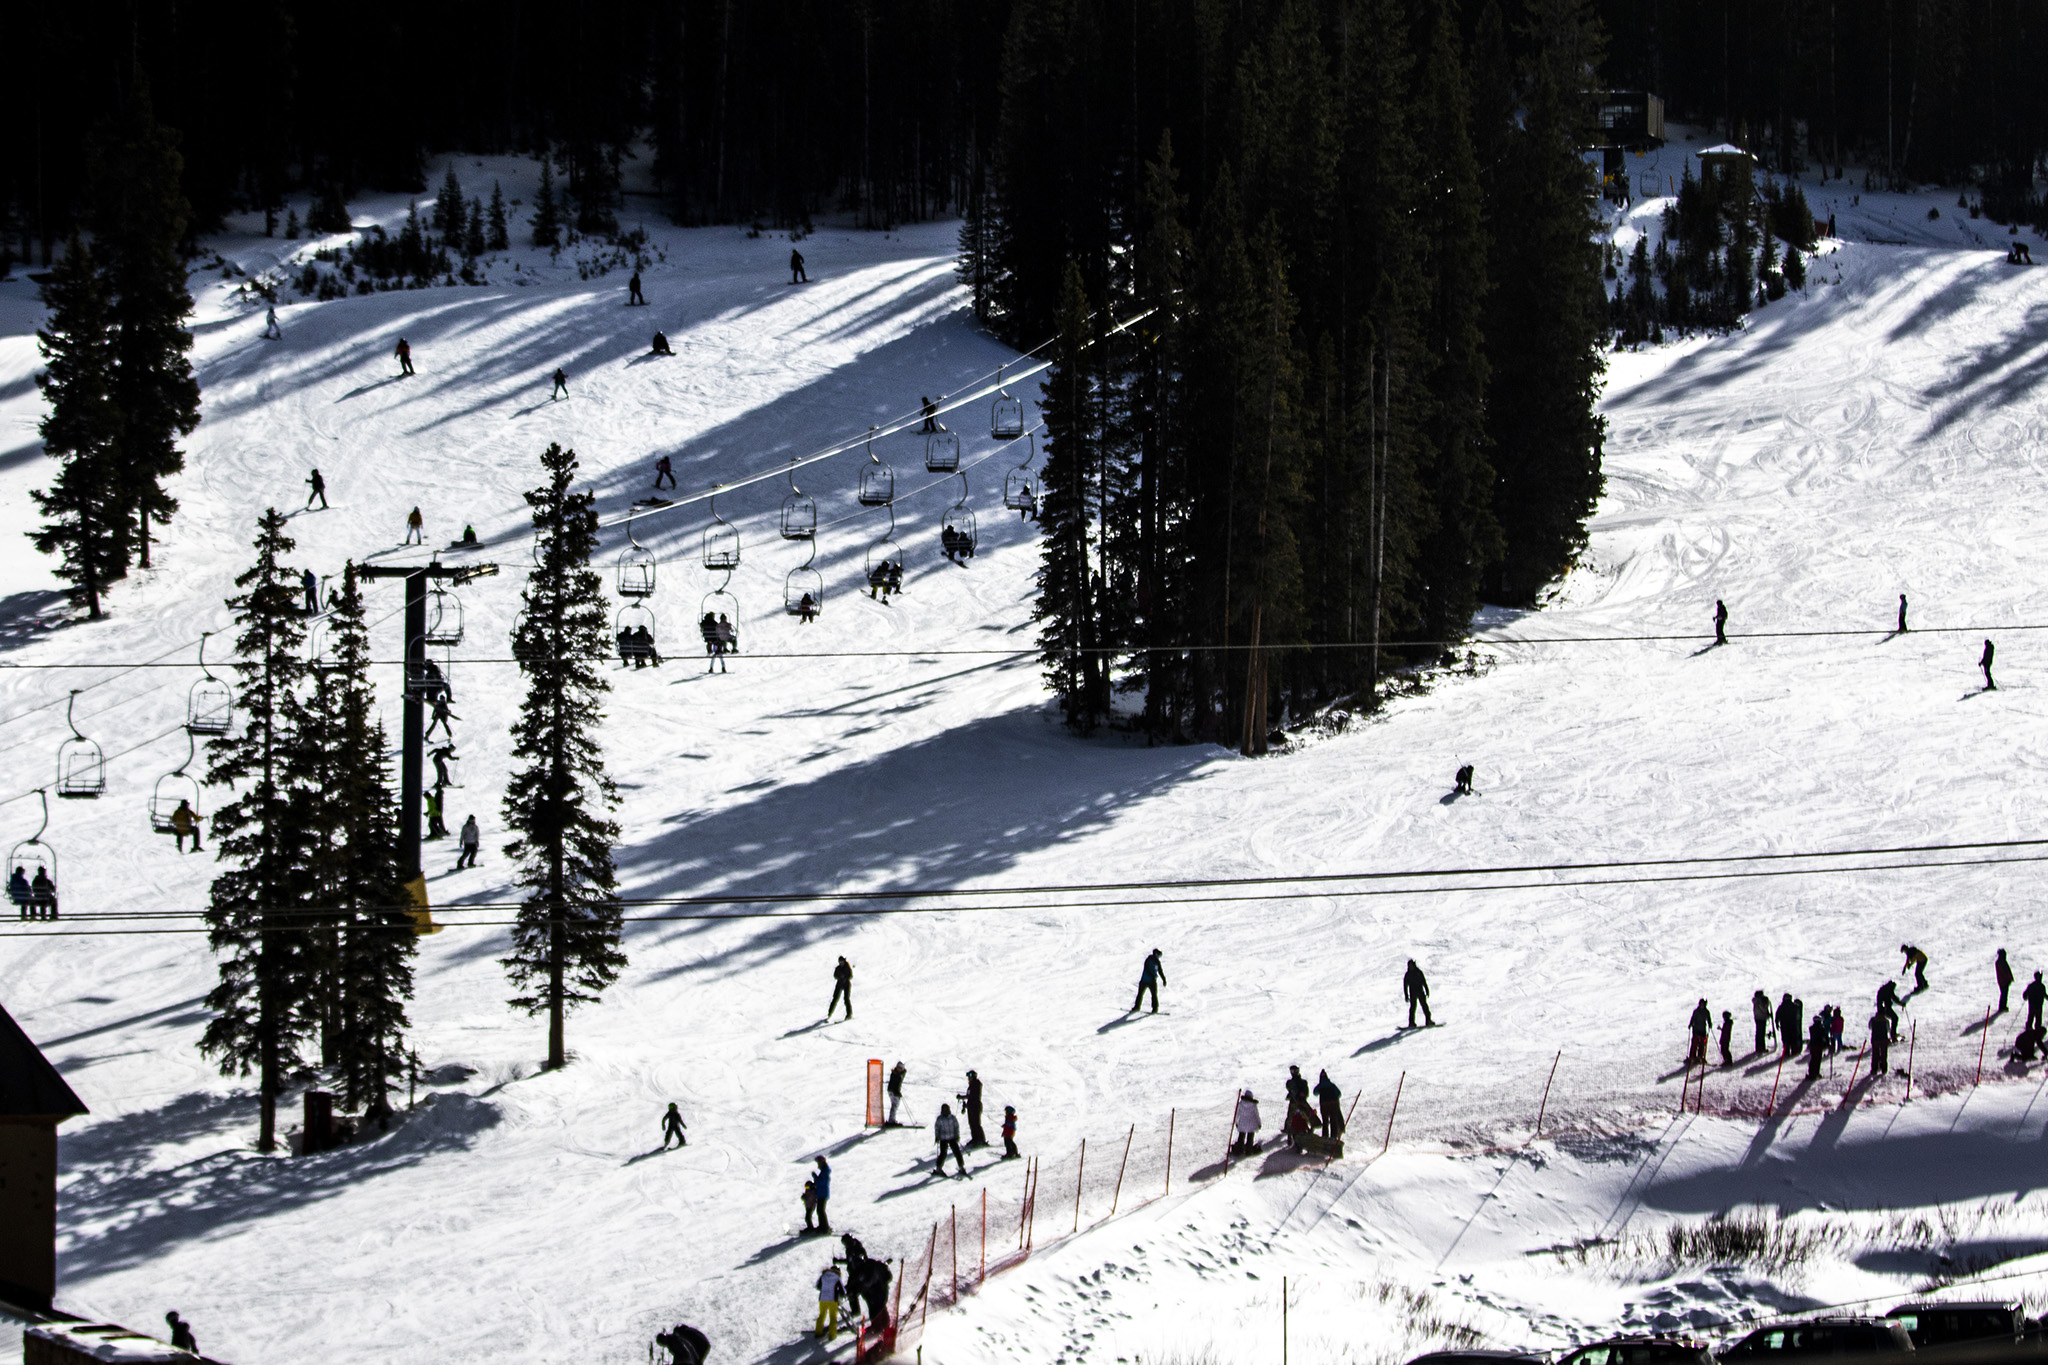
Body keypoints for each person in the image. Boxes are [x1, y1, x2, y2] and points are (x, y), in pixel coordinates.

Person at [934, 1103, 967, 1177]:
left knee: (957, 1152)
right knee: (943, 1153)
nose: (946, 1111)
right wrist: (937, 1137)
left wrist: (957, 1136)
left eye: (947, 1110)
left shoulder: (952, 1118)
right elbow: (937, 1128)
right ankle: (938, 1168)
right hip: (943, 1138)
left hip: (952, 1137)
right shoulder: (940, 1119)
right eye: (944, 1110)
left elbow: (956, 1127)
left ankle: (961, 1166)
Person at [815, 1263, 845, 1341]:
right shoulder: (837, 1278)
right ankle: (832, 1335)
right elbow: (843, 1291)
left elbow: (818, 1286)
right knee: (833, 1317)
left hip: (822, 1299)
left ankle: (818, 1332)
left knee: (822, 1315)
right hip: (832, 1300)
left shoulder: (823, 1276)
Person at [1132, 947, 1165, 1014]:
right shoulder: (1149, 959)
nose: (1159, 957)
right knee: (1140, 994)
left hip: (1152, 981)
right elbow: (1146, 969)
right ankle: (1137, 1007)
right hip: (1145, 980)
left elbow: (1160, 971)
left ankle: (1155, 1009)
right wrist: (1152, 976)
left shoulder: (1157, 962)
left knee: (1154, 994)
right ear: (1156, 954)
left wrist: (1164, 979)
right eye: (1159, 955)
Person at [1313, 1069, 1343, 1138]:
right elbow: (1339, 1094)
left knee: (1325, 1121)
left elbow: (1315, 1093)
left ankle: (1325, 1136)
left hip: (1324, 1105)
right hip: (1333, 1104)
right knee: (1333, 1120)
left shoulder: (1320, 1085)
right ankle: (1333, 1136)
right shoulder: (1332, 1085)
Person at [1404, 959, 1433, 1028]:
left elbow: (1424, 981)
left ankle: (1428, 1020)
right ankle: (1411, 1023)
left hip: (1420, 991)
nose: (1410, 967)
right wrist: (1406, 995)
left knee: (1424, 1006)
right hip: (1412, 993)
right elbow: (1405, 985)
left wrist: (1427, 990)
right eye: (1409, 966)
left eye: (1411, 965)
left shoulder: (1418, 972)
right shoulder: (1408, 974)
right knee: (1413, 1008)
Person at [961, 1070, 987, 1147]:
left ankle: (981, 1139)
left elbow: (973, 1096)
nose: (968, 1078)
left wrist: (963, 1097)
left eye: (970, 1077)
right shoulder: (971, 1085)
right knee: (972, 1123)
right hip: (971, 1106)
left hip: (975, 1106)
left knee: (976, 1123)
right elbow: (969, 1096)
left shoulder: (976, 1084)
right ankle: (975, 1138)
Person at [1232, 1089, 1261, 1155]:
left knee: (1241, 1137)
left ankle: (1239, 1150)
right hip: (1251, 1124)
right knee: (1250, 1138)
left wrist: (1236, 1122)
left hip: (1242, 1124)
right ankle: (1248, 1151)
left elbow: (1237, 1114)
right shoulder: (1253, 1105)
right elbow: (1257, 1115)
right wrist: (1259, 1123)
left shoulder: (1240, 1104)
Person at [1686, 998, 1711, 1066]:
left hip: (1703, 1029)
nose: (1702, 1005)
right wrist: (1691, 1024)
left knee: (1702, 1044)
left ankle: (1700, 1056)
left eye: (1703, 1004)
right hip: (1696, 1029)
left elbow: (1709, 1019)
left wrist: (1710, 1024)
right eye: (1701, 1004)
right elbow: (1693, 1018)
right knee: (1694, 1043)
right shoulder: (1696, 1011)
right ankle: (1692, 1057)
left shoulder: (1706, 1012)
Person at [811, 1156, 832, 1232]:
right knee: (820, 1210)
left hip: (822, 1194)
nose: (818, 1165)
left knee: (820, 1210)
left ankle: (824, 1227)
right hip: (821, 1193)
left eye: (818, 1163)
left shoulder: (825, 1171)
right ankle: (823, 1226)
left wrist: (815, 1177)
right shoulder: (824, 1171)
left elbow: (821, 1182)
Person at [828, 956, 853, 1020]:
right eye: (840, 962)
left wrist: (845, 978)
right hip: (839, 984)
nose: (841, 963)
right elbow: (835, 975)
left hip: (846, 984)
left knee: (846, 999)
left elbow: (850, 976)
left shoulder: (847, 967)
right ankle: (829, 1013)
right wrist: (840, 977)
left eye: (842, 962)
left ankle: (849, 1014)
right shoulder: (838, 968)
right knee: (835, 998)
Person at [1870, 1008, 1893, 1075]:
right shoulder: (1886, 1021)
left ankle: (1874, 1069)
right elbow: (1888, 1029)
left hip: (1875, 1039)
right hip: (1883, 1040)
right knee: (1883, 1055)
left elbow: (1870, 1027)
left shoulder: (1873, 1020)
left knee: (1875, 1054)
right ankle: (1884, 1069)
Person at [1751, 989, 1773, 1055]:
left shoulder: (1755, 1001)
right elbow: (1763, 1009)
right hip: (1762, 1018)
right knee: (1761, 1033)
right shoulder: (1760, 1001)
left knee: (1758, 1033)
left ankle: (1758, 1047)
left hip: (1757, 1018)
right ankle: (1762, 1048)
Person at [886, 1061, 907, 1125]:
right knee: (895, 1105)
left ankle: (892, 1120)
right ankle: (891, 1121)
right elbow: (894, 1084)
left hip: (893, 1091)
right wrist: (897, 1092)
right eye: (898, 1067)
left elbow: (904, 1073)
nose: (899, 1069)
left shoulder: (899, 1073)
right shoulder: (896, 1074)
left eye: (900, 1068)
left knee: (895, 1105)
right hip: (893, 1091)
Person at [1997, 949, 2016, 1013]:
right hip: (2004, 981)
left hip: (2003, 981)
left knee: (2004, 994)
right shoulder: (2001, 962)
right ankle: (2002, 1007)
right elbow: (2005, 972)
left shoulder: (2001, 961)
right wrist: (2009, 979)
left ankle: (2003, 1006)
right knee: (2004, 994)